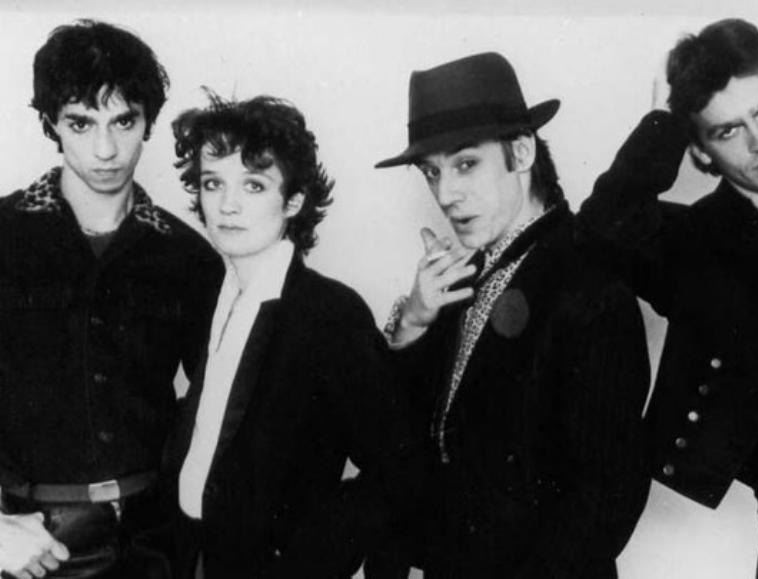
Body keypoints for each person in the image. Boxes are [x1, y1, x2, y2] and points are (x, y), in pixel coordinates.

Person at [578, 18, 758, 578]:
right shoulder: (691, 247)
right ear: (700, 148)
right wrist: (663, 125)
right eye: (728, 130)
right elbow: (599, 227)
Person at [373, 52, 651, 577]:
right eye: (431, 172)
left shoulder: (589, 287)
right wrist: (413, 323)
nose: (445, 194)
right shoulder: (460, 277)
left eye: (465, 164)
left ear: (521, 151)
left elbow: (603, 503)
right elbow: (403, 446)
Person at [0, 19, 222, 579]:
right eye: (81, 123)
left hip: (157, 543)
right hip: (34, 545)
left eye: (124, 121)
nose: (106, 150)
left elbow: (226, 405)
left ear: (148, 123)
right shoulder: (3, 235)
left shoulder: (189, 257)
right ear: (51, 123)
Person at [167, 93, 415, 578]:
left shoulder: (331, 314)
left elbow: (396, 471)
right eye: (213, 183)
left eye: (254, 185)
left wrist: (310, 563)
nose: (228, 205)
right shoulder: (207, 296)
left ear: (294, 200)